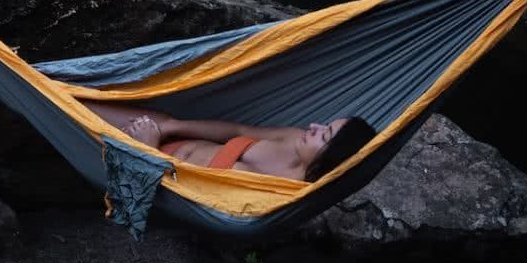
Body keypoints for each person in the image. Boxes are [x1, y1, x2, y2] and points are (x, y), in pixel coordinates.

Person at [82, 101, 375, 181]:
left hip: (147, 166)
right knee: (71, 104)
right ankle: (52, 93)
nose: (313, 126)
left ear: (332, 162)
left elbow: (188, 195)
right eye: (325, 125)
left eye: (325, 134)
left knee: (79, 123)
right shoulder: (293, 139)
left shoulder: (282, 193)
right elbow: (236, 130)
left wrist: (147, 149)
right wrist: (171, 126)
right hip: (163, 139)